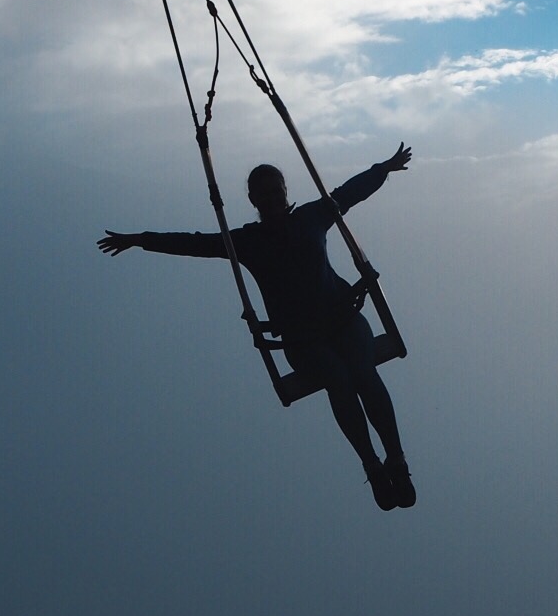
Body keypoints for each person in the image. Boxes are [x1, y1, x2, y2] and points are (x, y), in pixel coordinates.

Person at [99, 144, 416, 510]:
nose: (270, 199)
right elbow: (193, 243)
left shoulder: (312, 217)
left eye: (275, 191)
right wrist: (142, 239)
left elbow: (348, 193)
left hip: (343, 318)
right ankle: (372, 465)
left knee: (362, 373)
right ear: (253, 199)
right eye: (262, 194)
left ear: (285, 192)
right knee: (338, 380)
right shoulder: (246, 242)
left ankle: (396, 461)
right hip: (304, 339)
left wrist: (384, 169)